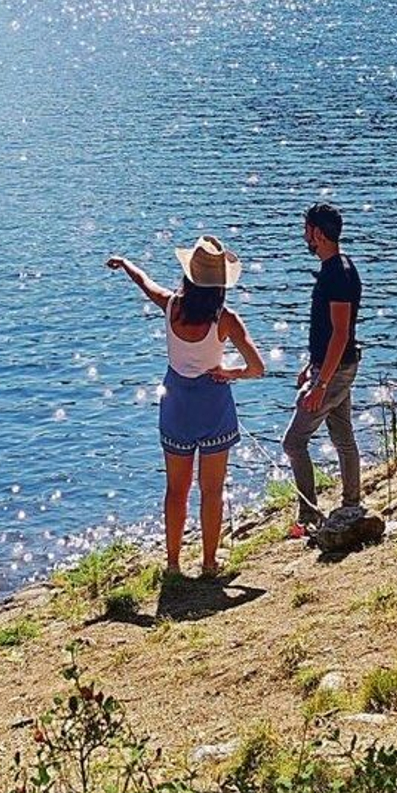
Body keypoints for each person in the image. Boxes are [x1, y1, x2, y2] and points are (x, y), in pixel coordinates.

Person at [106, 235, 265, 577]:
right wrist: (228, 372)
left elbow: (144, 283)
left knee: (176, 491)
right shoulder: (226, 319)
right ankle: (209, 564)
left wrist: (125, 264)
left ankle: (173, 565)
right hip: (214, 406)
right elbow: (257, 368)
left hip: (176, 405)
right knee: (212, 491)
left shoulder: (171, 305)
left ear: (188, 276)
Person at [282, 202, 363, 533]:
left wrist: (320, 383)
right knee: (343, 436)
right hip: (333, 368)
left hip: (334, 372)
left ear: (317, 233)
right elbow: (330, 332)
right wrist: (311, 364)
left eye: (306, 230)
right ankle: (352, 503)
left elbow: (341, 332)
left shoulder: (337, 274)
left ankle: (310, 513)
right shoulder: (337, 267)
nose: (305, 237)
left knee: (293, 442)